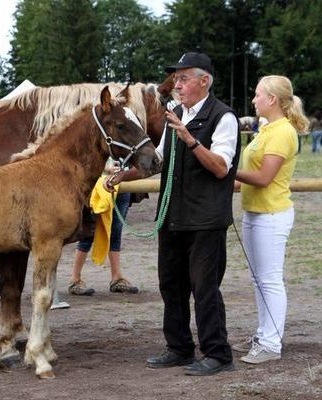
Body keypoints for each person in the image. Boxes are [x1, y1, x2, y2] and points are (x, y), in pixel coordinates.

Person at [106, 52, 239, 376]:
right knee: (171, 284)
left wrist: (190, 139)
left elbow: (221, 168)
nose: (176, 85)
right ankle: (179, 347)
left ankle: (218, 354)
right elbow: (159, 162)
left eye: (183, 78)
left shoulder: (224, 117)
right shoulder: (176, 114)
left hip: (206, 219)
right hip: (173, 216)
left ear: (203, 81)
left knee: (205, 288)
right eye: (176, 79)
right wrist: (123, 176)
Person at [233, 75, 309, 364]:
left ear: (272, 99)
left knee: (270, 280)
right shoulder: (266, 129)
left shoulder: (281, 132)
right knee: (259, 280)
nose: (253, 100)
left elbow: (264, 178)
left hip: (271, 215)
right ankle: (264, 334)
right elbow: (248, 179)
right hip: (255, 213)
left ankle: (271, 343)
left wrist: (228, 172)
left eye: (257, 95)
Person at [68, 160, 138, 296]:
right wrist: (105, 167)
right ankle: (75, 279)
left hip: (122, 183)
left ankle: (116, 277)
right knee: (89, 233)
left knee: (116, 232)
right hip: (98, 184)